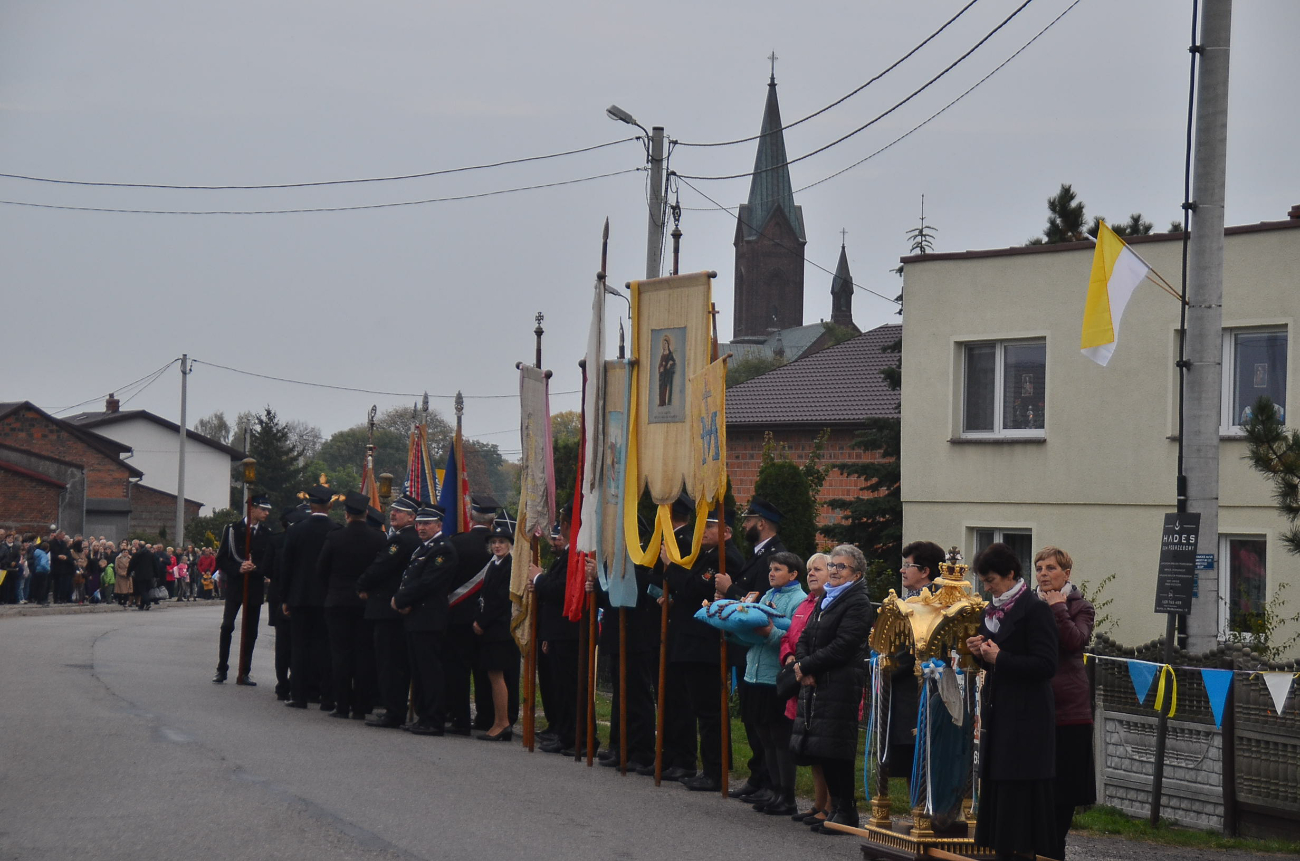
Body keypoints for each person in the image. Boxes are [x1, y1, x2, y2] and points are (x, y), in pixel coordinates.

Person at [965, 542, 1059, 861]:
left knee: (1019, 793)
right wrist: (979, 653)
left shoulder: (1034, 609)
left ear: (1010, 574)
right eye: (983, 582)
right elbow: (991, 661)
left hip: (1027, 718)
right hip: (999, 712)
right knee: (1000, 788)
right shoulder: (989, 612)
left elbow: (1047, 665)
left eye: (991, 580)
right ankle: (1002, 850)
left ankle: (1022, 852)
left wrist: (1001, 658)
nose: (987, 587)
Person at [791, 544, 875, 833]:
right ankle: (834, 808)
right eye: (834, 565)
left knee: (837, 748)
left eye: (842, 567)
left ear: (857, 574)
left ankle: (846, 811)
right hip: (818, 682)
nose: (835, 571)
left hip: (840, 683)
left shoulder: (857, 602)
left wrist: (808, 666)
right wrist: (802, 665)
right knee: (822, 748)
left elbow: (844, 645)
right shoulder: (826, 599)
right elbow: (806, 636)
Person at [661, 506, 744, 792]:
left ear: (726, 532)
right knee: (699, 708)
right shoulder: (707, 556)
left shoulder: (726, 558)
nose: (703, 532)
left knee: (709, 711)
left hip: (706, 644)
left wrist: (670, 567)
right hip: (692, 641)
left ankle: (715, 771)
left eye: (709, 527)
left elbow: (696, 589)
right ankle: (706, 766)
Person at [720, 497, 788, 803]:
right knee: (751, 719)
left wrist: (729, 590)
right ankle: (758, 776)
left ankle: (767, 780)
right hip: (748, 650)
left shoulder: (774, 556)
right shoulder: (759, 555)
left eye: (748, 520)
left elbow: (759, 604)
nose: (744, 525)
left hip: (762, 650)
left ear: (761, 523)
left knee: (764, 722)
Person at [1034, 546, 1096, 860]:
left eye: (1050, 568)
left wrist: (1058, 608)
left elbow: (1075, 641)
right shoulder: (1028, 605)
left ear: (1066, 574)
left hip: (1070, 710)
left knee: (1064, 789)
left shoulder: (1081, 606)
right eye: (1039, 568)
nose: (1043, 574)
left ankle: (1054, 848)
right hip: (1033, 708)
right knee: (1035, 785)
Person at [741, 551, 807, 816]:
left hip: (775, 678)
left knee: (780, 738)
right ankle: (772, 788)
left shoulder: (798, 600)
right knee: (764, 737)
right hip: (754, 674)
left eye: (778, 569)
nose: (771, 573)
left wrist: (770, 633)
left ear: (793, 574)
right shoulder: (767, 596)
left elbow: (792, 636)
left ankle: (787, 795)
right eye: (771, 569)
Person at [356, 495, 422, 728]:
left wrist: (362, 585)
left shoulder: (402, 540)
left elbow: (380, 567)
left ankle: (393, 712)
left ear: (412, 517)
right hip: (399, 608)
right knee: (398, 662)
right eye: (393, 510)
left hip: (388, 608)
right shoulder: (413, 538)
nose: (393, 514)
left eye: (400, 511)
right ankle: (397, 708)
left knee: (390, 662)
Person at [320, 491, 386, 720]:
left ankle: (342, 704)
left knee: (340, 654)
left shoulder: (334, 537)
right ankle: (361, 706)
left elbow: (322, 569)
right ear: (367, 514)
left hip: (337, 602)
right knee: (364, 654)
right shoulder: (379, 539)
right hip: (366, 602)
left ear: (346, 514)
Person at [393, 504, 458, 735]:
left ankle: (434, 719)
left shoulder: (443, 549)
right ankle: (423, 716)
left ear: (439, 525)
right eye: (419, 523)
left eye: (427, 523)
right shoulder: (424, 548)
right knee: (419, 670)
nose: (421, 527)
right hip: (416, 617)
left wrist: (400, 599)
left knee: (430, 672)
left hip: (428, 618)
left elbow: (428, 583)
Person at [886, 540, 946, 788]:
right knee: (912, 760)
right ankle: (917, 813)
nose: (902, 570)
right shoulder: (908, 600)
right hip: (903, 690)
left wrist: (887, 667)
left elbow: (920, 648)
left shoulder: (933, 602)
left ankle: (925, 816)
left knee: (922, 757)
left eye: (908, 565)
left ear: (925, 571)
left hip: (919, 690)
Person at [280, 485, 341, 710]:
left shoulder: (296, 531)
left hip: (300, 597)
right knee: (326, 648)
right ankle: (327, 697)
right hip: (327, 598)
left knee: (299, 647)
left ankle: (299, 695)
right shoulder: (336, 530)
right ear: (331, 505)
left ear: (311, 505)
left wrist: (285, 597)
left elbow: (286, 566)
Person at [782, 552, 830, 827]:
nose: (811, 573)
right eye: (810, 569)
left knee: (824, 748)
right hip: (800, 678)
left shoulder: (828, 604)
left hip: (817, 680)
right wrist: (789, 656)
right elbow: (793, 636)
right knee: (810, 747)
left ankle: (831, 805)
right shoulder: (806, 603)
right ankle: (818, 803)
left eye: (818, 569)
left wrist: (805, 664)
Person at [528, 507, 580, 755]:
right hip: (558, 633)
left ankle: (574, 737)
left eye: (562, 522)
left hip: (569, 632)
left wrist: (538, 579)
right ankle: (564, 733)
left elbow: (560, 590)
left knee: (571, 688)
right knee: (561, 688)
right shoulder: (566, 556)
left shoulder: (576, 555)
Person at [446, 494, 498, 735]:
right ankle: (487, 718)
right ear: (493, 520)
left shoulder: (456, 542)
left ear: (470, 515)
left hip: (458, 616)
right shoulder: (502, 547)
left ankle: (460, 718)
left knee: (458, 669)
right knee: (485, 670)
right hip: (489, 619)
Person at [213, 495, 275, 685]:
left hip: (255, 586)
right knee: (227, 626)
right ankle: (222, 668)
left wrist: (256, 568)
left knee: (251, 631)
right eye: (263, 509)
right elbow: (222, 559)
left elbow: (269, 562)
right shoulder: (232, 530)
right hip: (235, 585)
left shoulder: (267, 533)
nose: (266, 513)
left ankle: (244, 671)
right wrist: (238, 569)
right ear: (252, 509)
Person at [475, 519, 519, 741]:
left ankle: (503, 722)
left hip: (500, 629)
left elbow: (500, 599)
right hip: (492, 628)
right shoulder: (495, 564)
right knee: (493, 675)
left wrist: (482, 622)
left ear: (510, 544)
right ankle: (499, 720)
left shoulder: (510, 566)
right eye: (494, 542)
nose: (497, 546)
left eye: (501, 542)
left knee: (497, 675)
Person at [129, 540, 158, 611]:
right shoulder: (151, 554)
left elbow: (132, 564)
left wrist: (128, 572)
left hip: (140, 575)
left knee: (142, 590)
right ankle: (142, 605)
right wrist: (156, 574)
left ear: (139, 547)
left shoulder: (137, 554)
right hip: (149, 575)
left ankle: (147, 603)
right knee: (146, 590)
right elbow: (155, 564)